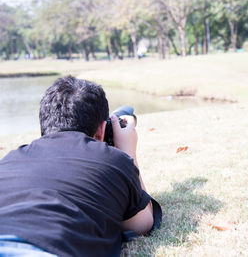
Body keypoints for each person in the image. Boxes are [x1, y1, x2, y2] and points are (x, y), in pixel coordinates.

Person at [0, 76, 161, 256]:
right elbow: (142, 223)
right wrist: (128, 152)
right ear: (101, 130)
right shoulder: (113, 160)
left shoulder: (9, 160)